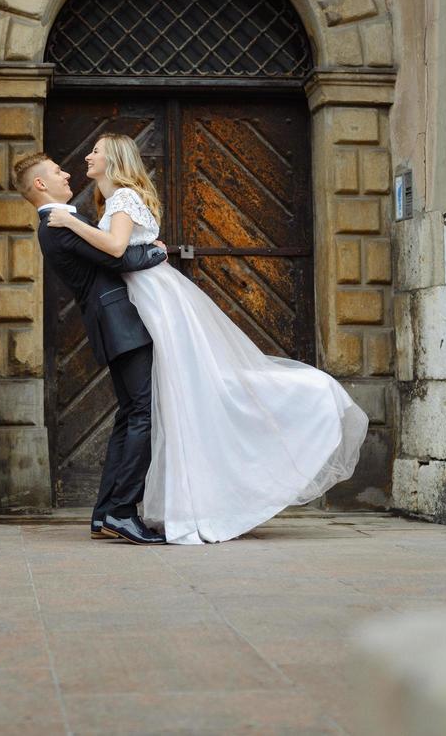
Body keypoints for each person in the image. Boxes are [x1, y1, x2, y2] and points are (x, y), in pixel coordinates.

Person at [45, 134, 369, 545]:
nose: (87, 156)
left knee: (184, 393)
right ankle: (115, 511)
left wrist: (73, 222)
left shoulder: (124, 198)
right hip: (147, 298)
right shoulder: (112, 203)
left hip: (156, 300)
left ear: (114, 160)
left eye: (96, 151)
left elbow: (115, 247)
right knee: (161, 400)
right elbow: (121, 252)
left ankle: (152, 503)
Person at [13, 151, 169, 545]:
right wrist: (157, 251)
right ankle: (121, 511)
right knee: (141, 416)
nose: (66, 174)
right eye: (56, 171)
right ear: (40, 185)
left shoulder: (61, 221)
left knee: (130, 414)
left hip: (115, 325)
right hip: (120, 324)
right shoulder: (57, 223)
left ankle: (105, 513)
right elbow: (117, 257)